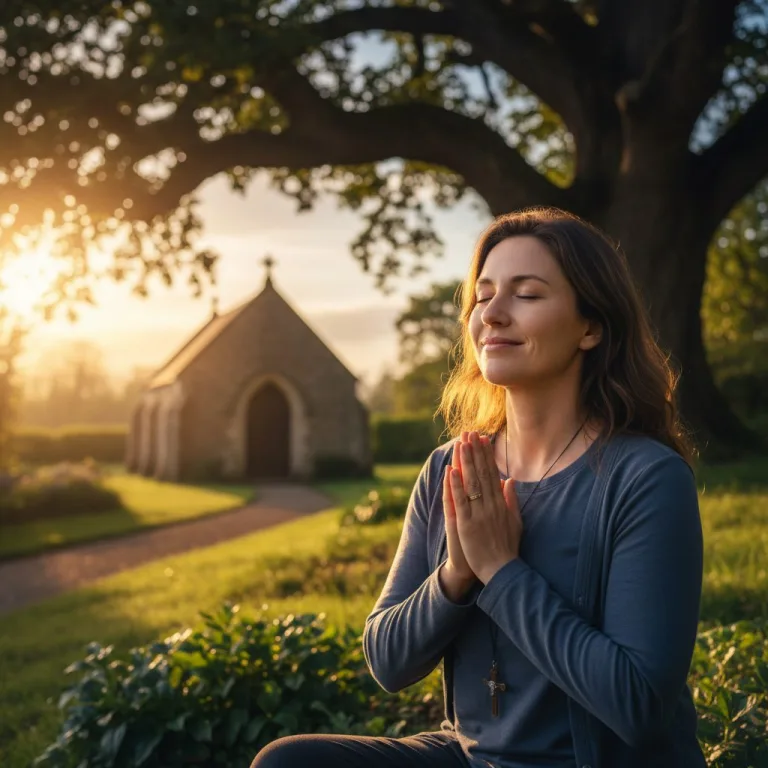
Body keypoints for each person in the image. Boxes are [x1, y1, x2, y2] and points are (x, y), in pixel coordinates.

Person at [250, 207, 706, 768]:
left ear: (591, 327)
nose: (493, 313)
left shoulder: (645, 478)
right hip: (468, 758)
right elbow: (387, 661)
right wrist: (456, 575)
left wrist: (501, 571)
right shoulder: (451, 467)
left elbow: (639, 706)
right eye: (483, 295)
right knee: (289, 762)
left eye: (527, 295)